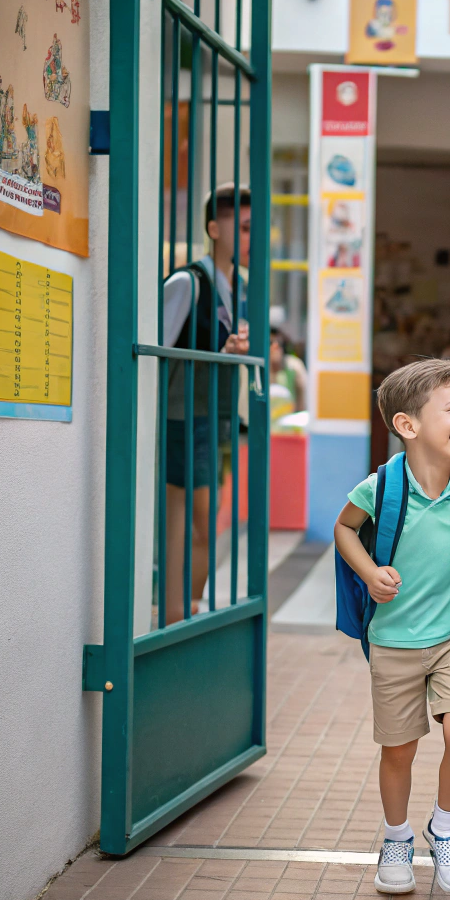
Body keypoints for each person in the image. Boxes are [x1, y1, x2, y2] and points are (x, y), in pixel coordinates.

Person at [334, 359, 450, 897]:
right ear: (407, 425)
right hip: (392, 639)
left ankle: (445, 826)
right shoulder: (380, 486)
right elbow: (345, 529)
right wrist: (369, 574)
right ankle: (396, 838)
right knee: (400, 749)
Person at [162, 184, 250, 623]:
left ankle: (184, 612)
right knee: (194, 519)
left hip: (216, 415)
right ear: (214, 229)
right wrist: (222, 354)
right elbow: (157, 350)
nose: (254, 238)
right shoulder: (187, 282)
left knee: (207, 521)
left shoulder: (237, 286)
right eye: (246, 228)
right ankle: (174, 613)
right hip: (183, 414)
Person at [269, 327, 307, 416]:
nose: (275, 346)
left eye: (280, 344)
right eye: (270, 343)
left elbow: (303, 402)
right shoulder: (256, 368)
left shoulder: (294, 366)